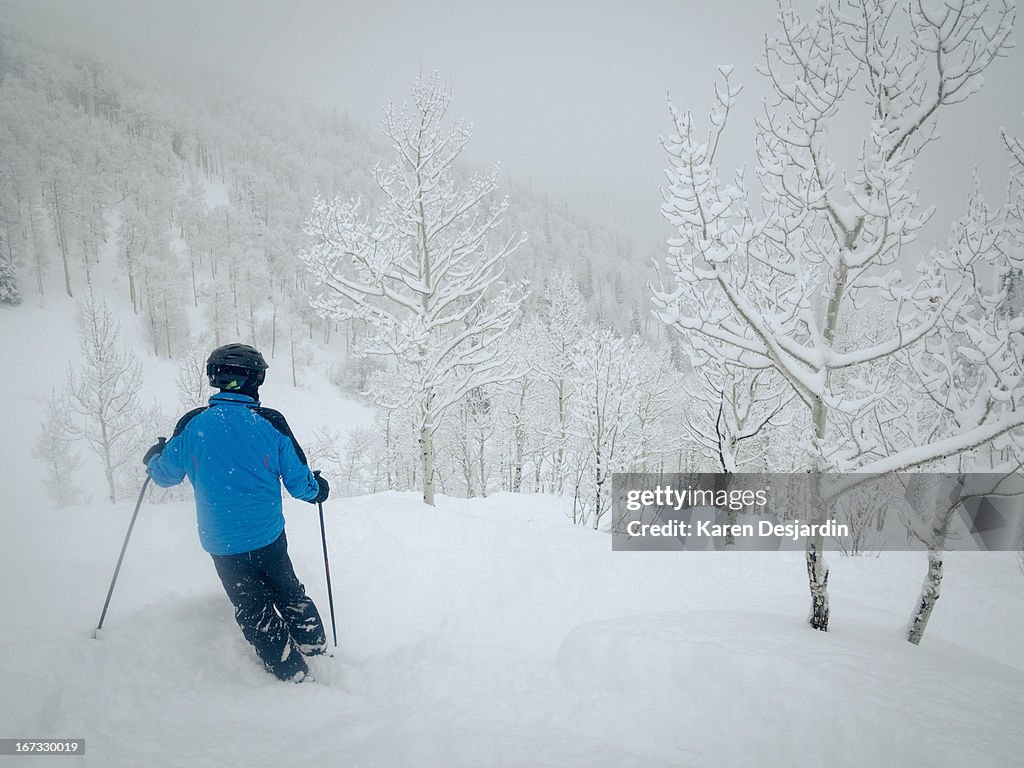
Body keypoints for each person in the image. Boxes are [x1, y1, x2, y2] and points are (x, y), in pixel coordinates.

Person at [143, 343, 331, 683]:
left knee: (251, 607)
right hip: (267, 536)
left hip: (222, 542)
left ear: (215, 379)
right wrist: (318, 489)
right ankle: (314, 644)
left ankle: (290, 671)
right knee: (288, 590)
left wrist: (153, 457)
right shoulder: (270, 422)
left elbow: (164, 475)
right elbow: (301, 485)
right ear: (256, 380)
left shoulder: (193, 424)